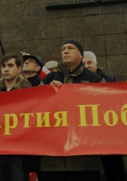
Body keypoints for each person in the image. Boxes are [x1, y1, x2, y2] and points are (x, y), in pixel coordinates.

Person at [39, 39, 104, 181]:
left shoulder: (94, 79)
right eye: (63, 49)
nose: (66, 51)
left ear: (80, 55)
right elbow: (36, 109)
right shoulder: (49, 79)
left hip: (84, 160)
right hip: (53, 161)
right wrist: (47, 92)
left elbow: (105, 110)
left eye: (70, 48)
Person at [0, 53, 33, 181]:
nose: (6, 69)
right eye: (3, 66)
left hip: (18, 152)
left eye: (10, 65)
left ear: (19, 69)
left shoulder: (29, 91)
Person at [82, 51, 126, 181]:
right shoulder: (75, 81)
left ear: (96, 64)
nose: (86, 66)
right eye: (83, 63)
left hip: (109, 134)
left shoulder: (110, 80)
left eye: (89, 62)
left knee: (114, 171)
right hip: (87, 134)